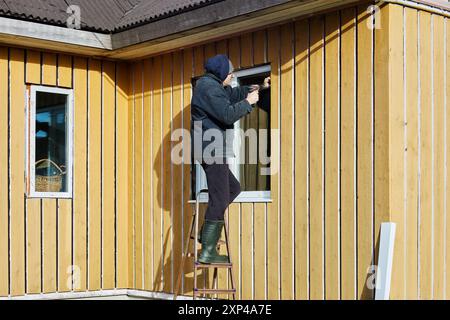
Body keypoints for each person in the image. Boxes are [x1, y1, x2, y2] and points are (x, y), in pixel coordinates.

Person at [191, 54, 270, 264]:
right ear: (221, 73)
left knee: (233, 189)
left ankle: (205, 234)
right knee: (220, 197)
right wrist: (248, 103)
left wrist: (258, 88)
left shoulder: (215, 86)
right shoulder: (207, 88)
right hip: (211, 148)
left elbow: (232, 93)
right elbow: (226, 114)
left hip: (214, 147)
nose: (232, 76)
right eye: (230, 73)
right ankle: (208, 251)